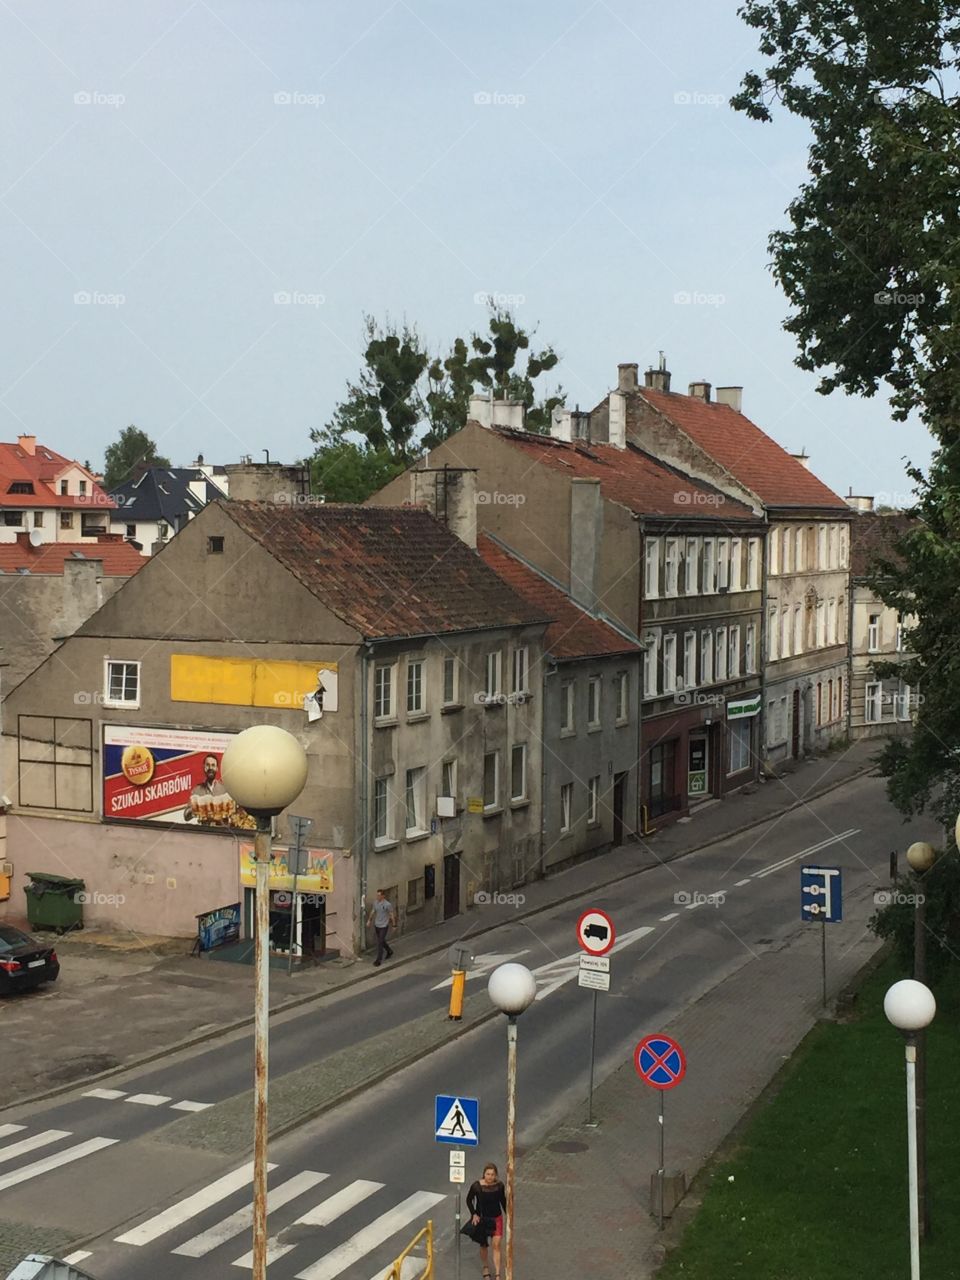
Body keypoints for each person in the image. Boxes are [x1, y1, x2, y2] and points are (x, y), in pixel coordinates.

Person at [466, 1162, 506, 1279]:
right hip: (483, 1219)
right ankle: (485, 1267)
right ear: (484, 1174)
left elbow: (503, 1201)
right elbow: (469, 1200)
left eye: (492, 1174)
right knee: (483, 1245)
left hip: (497, 1218)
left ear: (496, 1175)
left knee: (496, 1245)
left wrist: (509, 1215)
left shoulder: (499, 1186)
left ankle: (497, 1274)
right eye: (488, 1174)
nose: (490, 1177)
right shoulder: (477, 1186)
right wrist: (474, 1214)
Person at [366, 889, 396, 967]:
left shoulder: (387, 904)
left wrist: (394, 925)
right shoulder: (375, 903)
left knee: (380, 942)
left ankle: (378, 960)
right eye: (377, 895)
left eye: (379, 895)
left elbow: (391, 914)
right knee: (381, 941)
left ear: (383, 896)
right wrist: (369, 920)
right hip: (377, 925)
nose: (377, 897)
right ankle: (389, 951)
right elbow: (373, 911)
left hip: (384, 926)